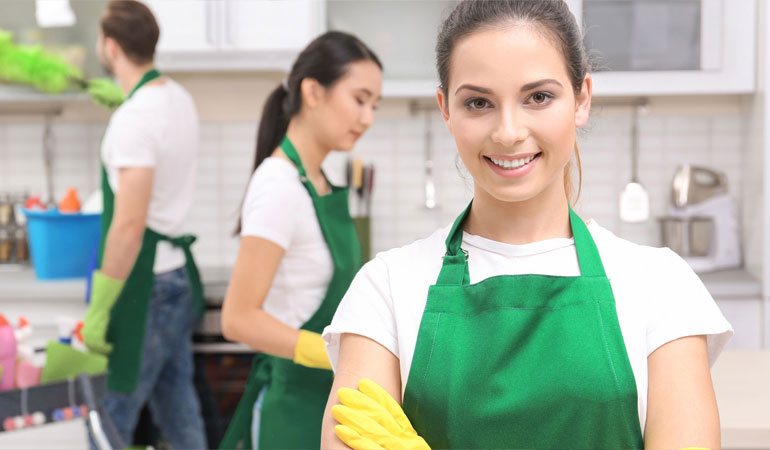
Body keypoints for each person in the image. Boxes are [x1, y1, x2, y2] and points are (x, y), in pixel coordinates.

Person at [320, 1, 733, 449]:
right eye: (478, 102)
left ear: (582, 98)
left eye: (538, 97)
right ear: (446, 110)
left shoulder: (661, 286)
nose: (508, 132)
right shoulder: (385, 289)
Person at [218, 31, 382, 449]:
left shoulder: (320, 180)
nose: (368, 118)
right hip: (293, 408)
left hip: (332, 399)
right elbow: (237, 318)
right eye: (359, 99)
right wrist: (326, 353)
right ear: (313, 91)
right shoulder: (278, 185)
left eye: (374, 105)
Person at [80, 1, 206, 448]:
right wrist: (127, 102)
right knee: (178, 410)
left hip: (145, 288)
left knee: (109, 416)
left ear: (110, 46)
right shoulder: (177, 98)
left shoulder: (133, 120)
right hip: (178, 280)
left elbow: (129, 225)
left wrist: (100, 305)